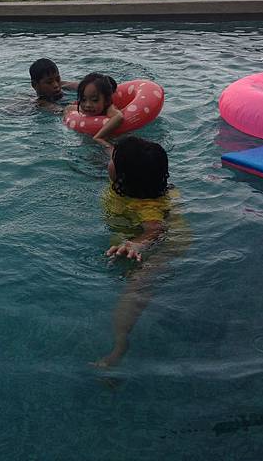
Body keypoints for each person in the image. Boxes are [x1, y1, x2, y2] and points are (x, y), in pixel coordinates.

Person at [95, 136, 184, 367]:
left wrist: (135, 244)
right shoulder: (137, 182)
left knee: (138, 283)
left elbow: (156, 230)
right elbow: (116, 155)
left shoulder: (146, 206)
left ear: (122, 176)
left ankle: (119, 345)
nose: (109, 161)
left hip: (170, 245)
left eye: (113, 160)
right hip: (143, 233)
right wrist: (101, 141)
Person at [64, 72, 123, 148]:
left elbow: (119, 116)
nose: (88, 105)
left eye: (94, 100)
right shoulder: (85, 108)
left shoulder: (108, 109)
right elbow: (68, 108)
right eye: (83, 99)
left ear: (106, 100)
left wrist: (98, 137)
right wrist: (66, 119)